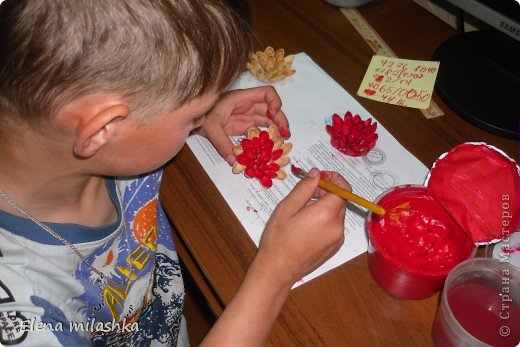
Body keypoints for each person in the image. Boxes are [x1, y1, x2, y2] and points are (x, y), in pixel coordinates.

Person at [0, 0, 350, 346]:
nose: (202, 117)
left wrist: (197, 116)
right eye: (193, 116)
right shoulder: (23, 313)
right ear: (102, 130)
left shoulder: (66, 140)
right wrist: (277, 273)